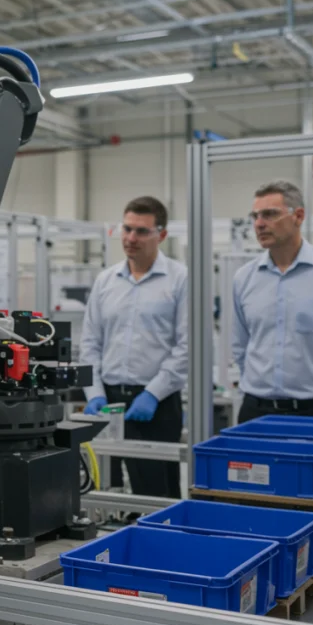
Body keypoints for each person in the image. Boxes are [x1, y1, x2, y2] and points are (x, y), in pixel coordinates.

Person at [80, 196, 188, 499]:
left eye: (141, 231)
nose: (130, 238)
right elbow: (90, 342)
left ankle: (163, 542)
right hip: (110, 401)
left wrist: (153, 394)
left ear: (161, 235)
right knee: (104, 487)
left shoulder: (180, 280)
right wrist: (95, 393)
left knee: (156, 491)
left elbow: (187, 347)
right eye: (126, 229)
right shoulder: (106, 281)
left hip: (156, 403)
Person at [232, 181, 313, 422]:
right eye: (255, 216)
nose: (259, 223)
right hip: (256, 410)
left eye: (270, 214)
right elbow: (240, 345)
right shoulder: (244, 277)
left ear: (298, 216)